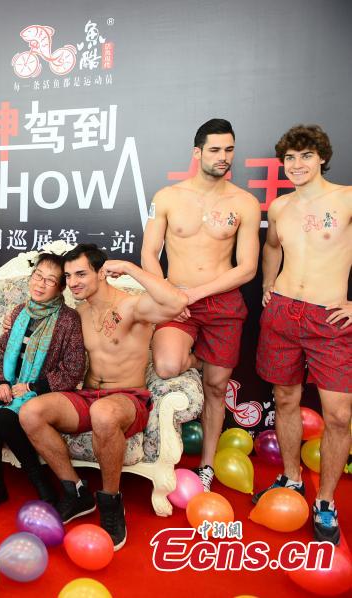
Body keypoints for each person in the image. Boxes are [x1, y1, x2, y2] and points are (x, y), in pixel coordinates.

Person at [19, 244, 187, 550]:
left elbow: (177, 302)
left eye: (81, 274)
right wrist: (12, 324)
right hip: (87, 395)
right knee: (31, 412)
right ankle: (76, 492)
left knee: (104, 413)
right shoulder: (78, 313)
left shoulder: (131, 306)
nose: (73, 282)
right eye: (69, 276)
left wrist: (131, 268)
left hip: (126, 398)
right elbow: (38, 318)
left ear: (101, 273)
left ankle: (111, 501)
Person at [141, 118, 261, 491]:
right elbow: (149, 253)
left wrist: (193, 295)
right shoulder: (167, 197)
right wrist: (168, 294)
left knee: (216, 387)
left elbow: (247, 267)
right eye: (215, 149)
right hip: (177, 299)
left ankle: (206, 465)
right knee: (167, 364)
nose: (223, 157)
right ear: (197, 152)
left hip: (222, 304)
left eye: (229, 150)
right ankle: (203, 359)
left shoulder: (245, 202)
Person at [253, 124, 351, 545]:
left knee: (339, 415)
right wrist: (267, 284)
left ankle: (325, 501)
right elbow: (272, 246)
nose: (296, 164)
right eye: (290, 158)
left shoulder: (346, 198)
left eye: (306, 155)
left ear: (322, 158)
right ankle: (292, 478)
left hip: (331, 319)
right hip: (283, 312)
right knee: (285, 399)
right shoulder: (279, 206)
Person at [0, 253, 85, 515]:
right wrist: (0, 381)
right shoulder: (19, 312)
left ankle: (41, 483)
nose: (40, 284)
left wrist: (33, 387)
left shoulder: (68, 320)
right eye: (37, 276)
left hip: (41, 390)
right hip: (10, 383)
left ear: (60, 288)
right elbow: (1, 352)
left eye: (50, 280)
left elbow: (74, 368)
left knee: (7, 419)